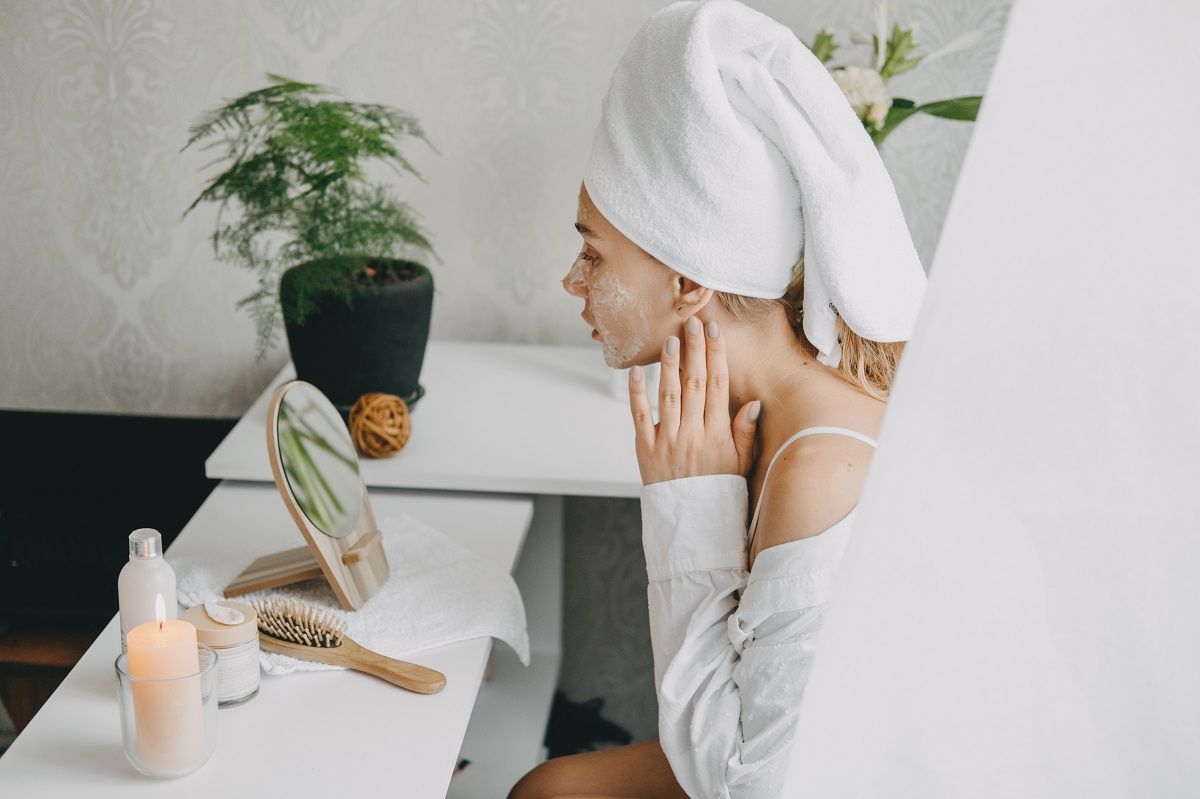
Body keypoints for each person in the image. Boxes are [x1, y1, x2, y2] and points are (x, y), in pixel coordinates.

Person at [511, 2, 926, 797]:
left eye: (593, 253)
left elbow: (747, 787)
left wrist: (689, 515)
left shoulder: (821, 468)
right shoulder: (768, 404)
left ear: (692, 279)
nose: (573, 280)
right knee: (548, 787)